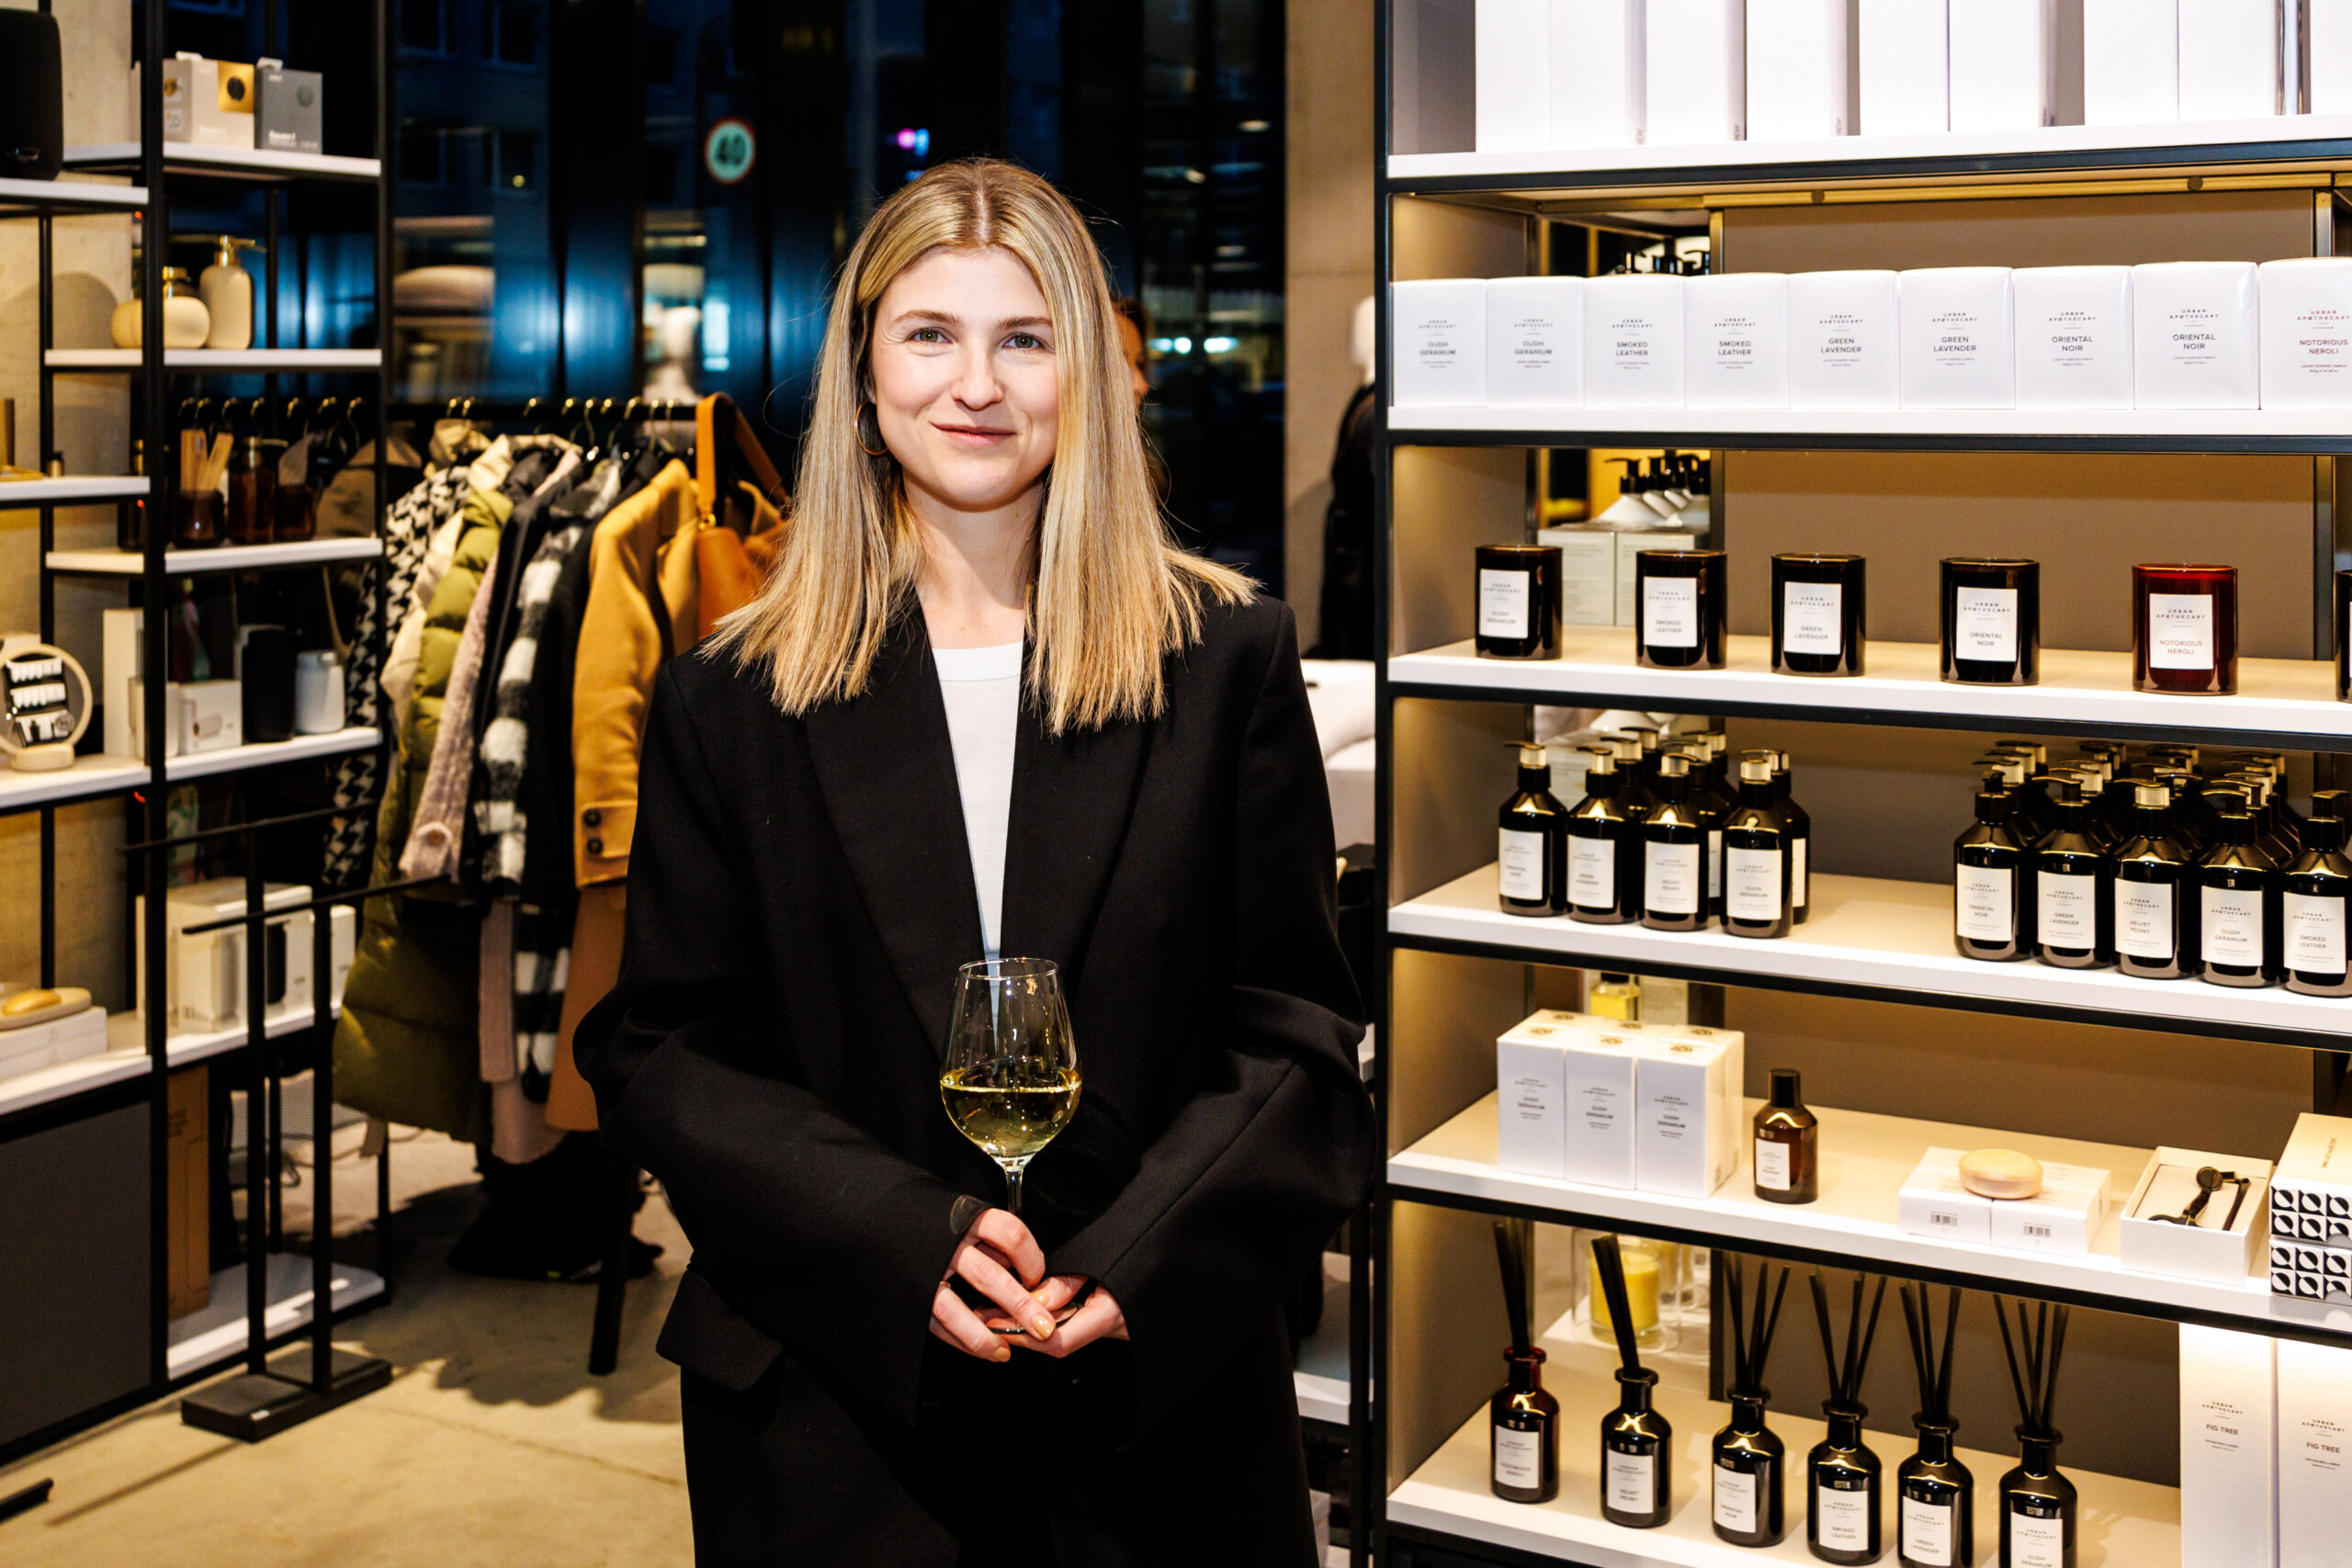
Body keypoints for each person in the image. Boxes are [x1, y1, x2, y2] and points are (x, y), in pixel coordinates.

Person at [576, 158, 1375, 1565]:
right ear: (866, 368)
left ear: (1090, 373)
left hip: (1150, 1406)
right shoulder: (732, 698)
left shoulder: (1223, 662)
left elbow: (1294, 1038)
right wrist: (899, 1236)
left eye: (1025, 339)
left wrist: (1140, 1261)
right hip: (837, 1408)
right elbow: (665, 1052)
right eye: (931, 334)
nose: (977, 386)